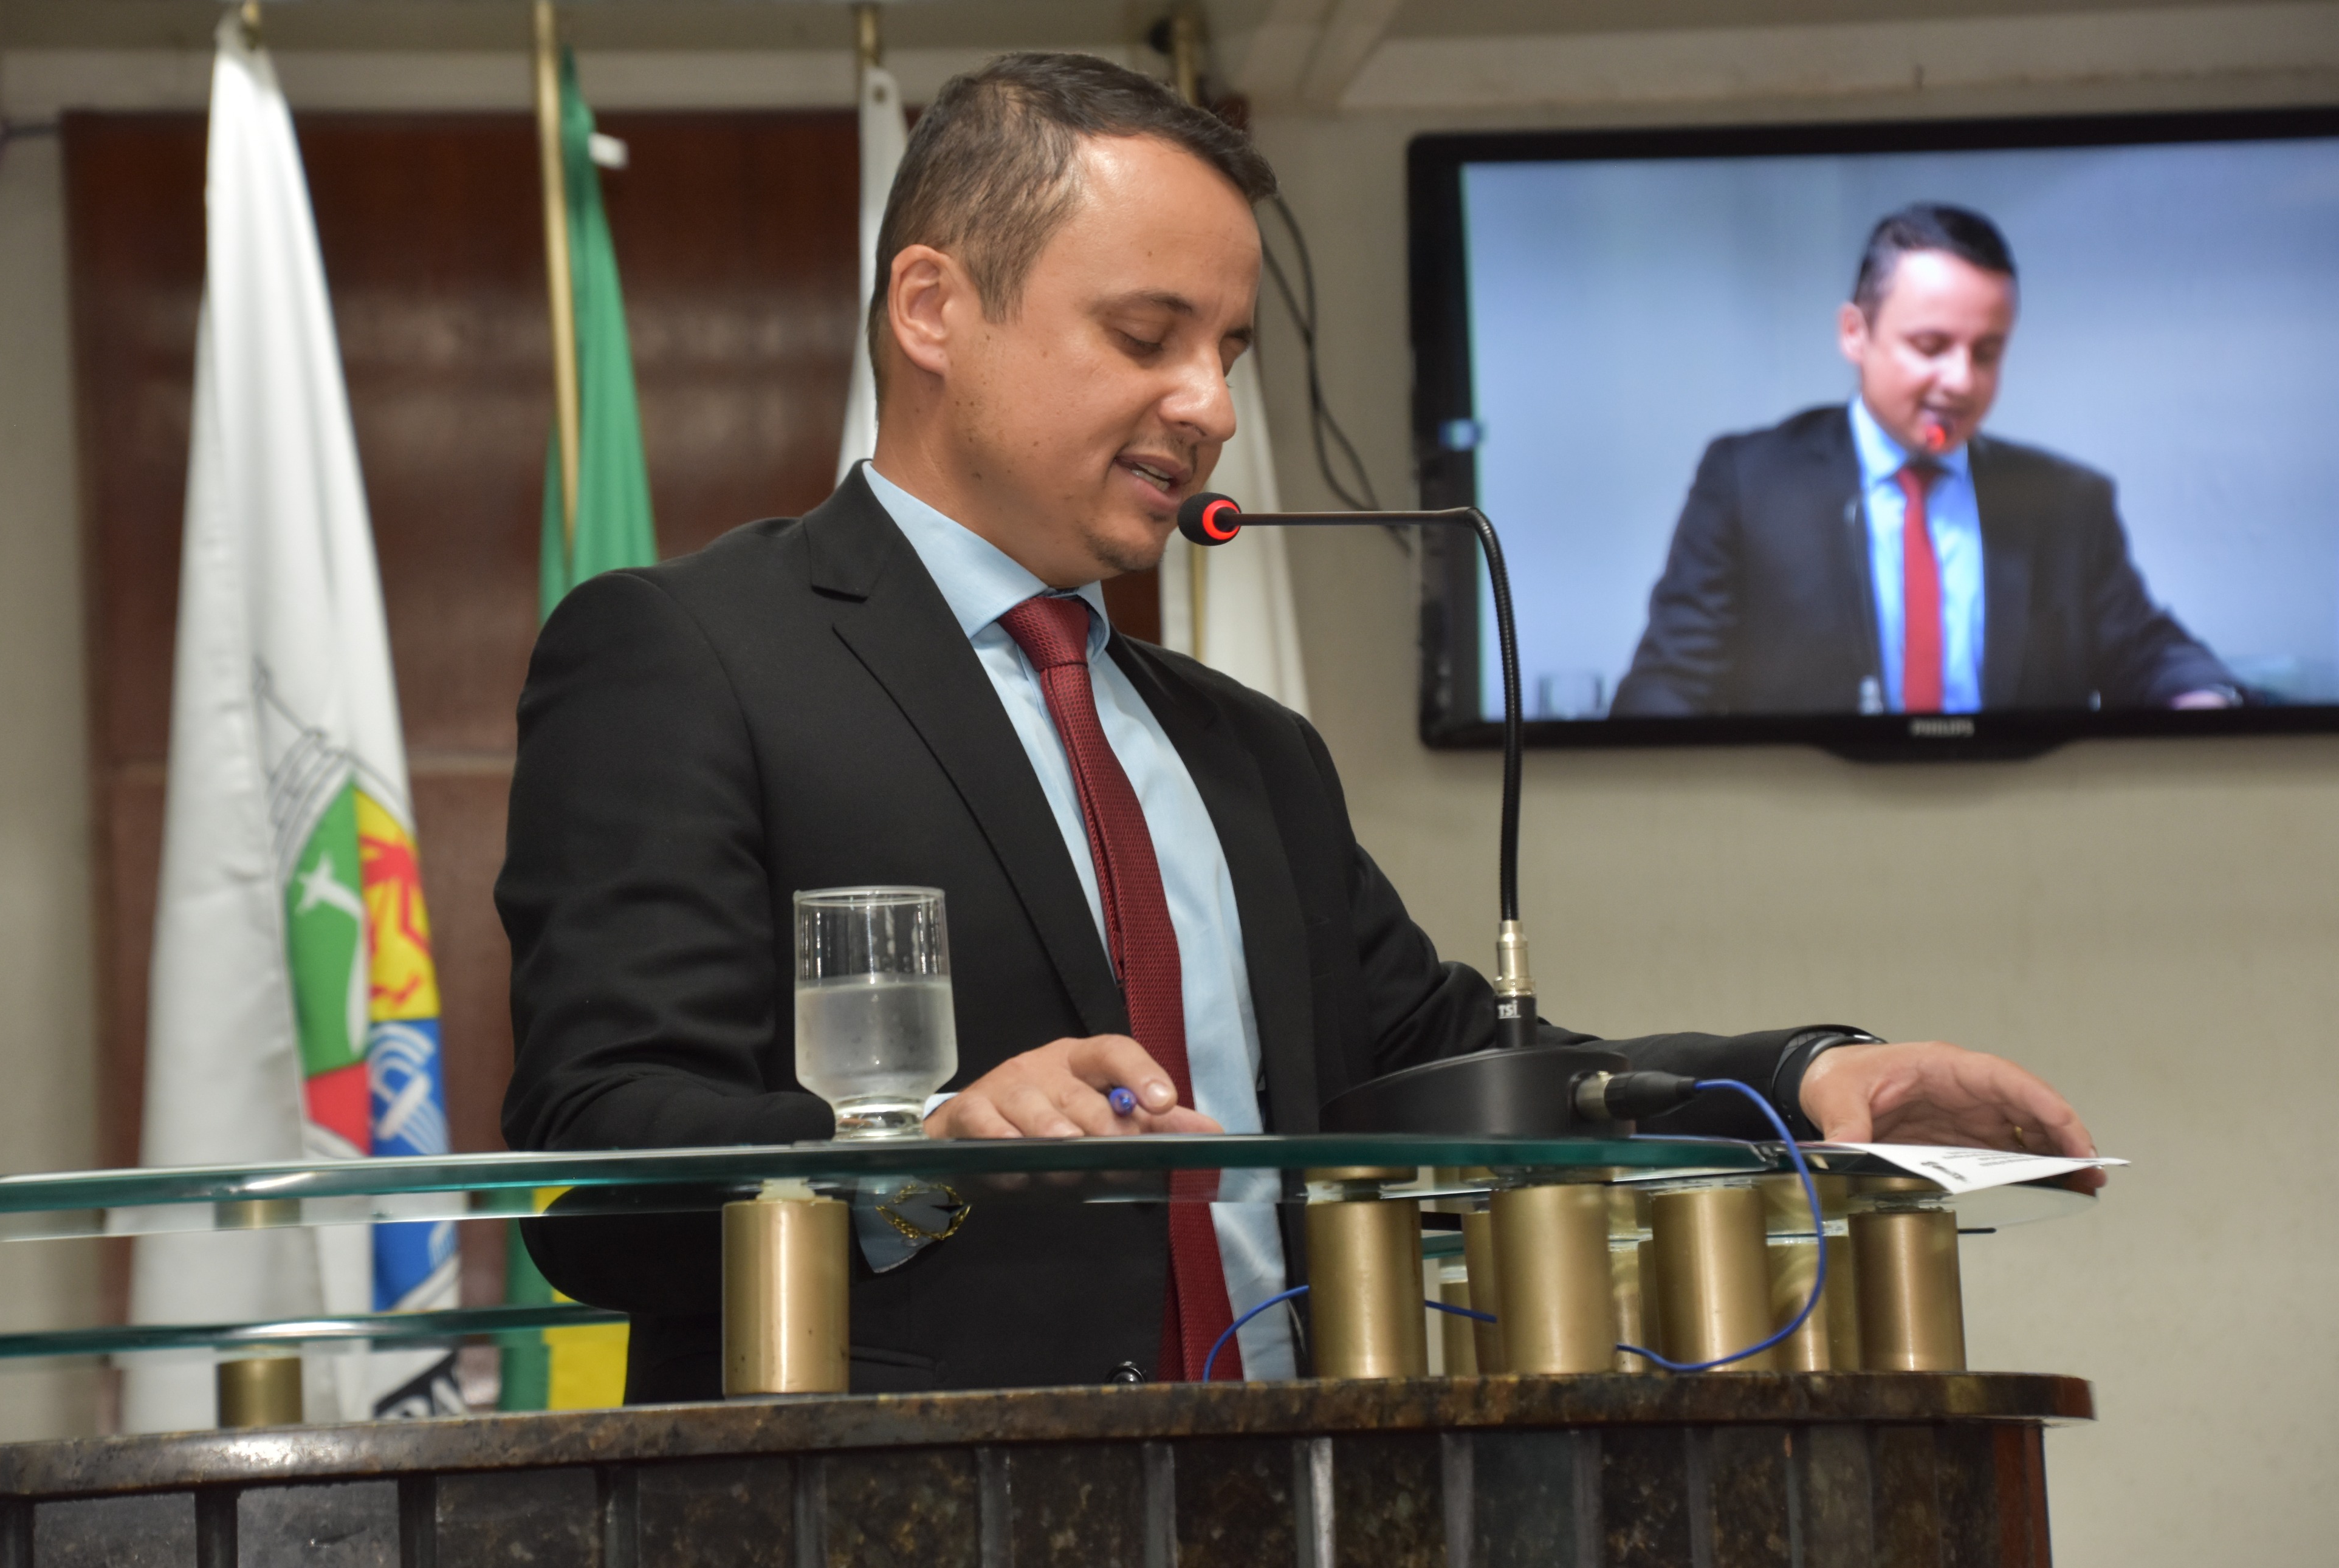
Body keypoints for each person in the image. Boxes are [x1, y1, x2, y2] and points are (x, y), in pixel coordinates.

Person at [497, 61, 2099, 1403]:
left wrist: (1808, 1074)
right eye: (1147, 337)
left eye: (1229, 350)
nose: (1207, 403)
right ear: (933, 306)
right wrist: (919, 1146)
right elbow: (598, 1160)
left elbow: (1461, 1071)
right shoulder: (691, 655)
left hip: (1297, 1484)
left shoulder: (1249, 750)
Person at [1612, 202, 2236, 718]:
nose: (1961, 382)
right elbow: (1669, 683)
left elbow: (2149, 652)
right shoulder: (1749, 482)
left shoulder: (2064, 500)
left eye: (1986, 353)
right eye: (1930, 346)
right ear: (1855, 334)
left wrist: (2204, 700)